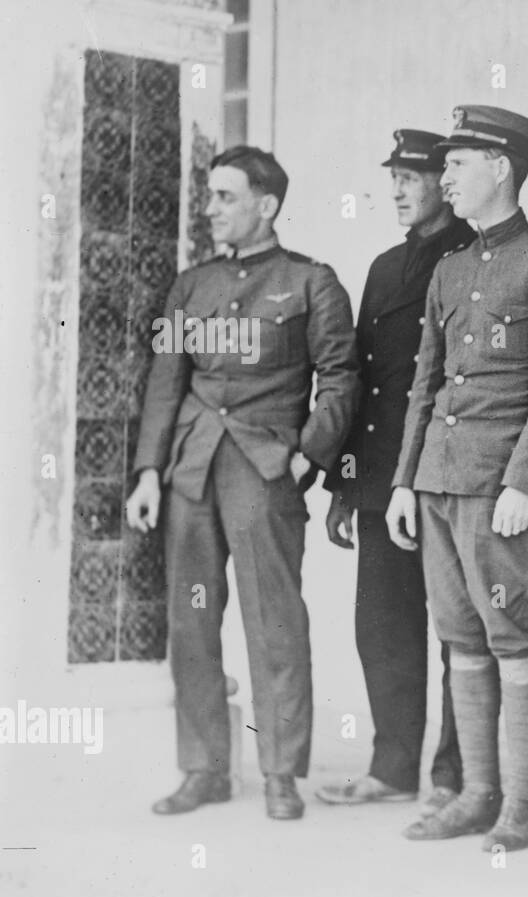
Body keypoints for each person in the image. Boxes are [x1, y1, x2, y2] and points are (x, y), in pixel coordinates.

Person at [126, 146, 359, 820]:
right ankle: (204, 767)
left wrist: (307, 453)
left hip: (263, 469)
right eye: (210, 196)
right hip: (192, 470)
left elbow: (341, 378)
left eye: (226, 197)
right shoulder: (190, 287)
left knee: (274, 620)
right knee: (190, 619)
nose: (212, 209)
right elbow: (167, 381)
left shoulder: (311, 282)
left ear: (268, 205)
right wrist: (148, 471)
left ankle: (282, 771)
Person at [388, 105, 528, 852]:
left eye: (458, 163)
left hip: (500, 486)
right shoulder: (450, 268)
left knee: (511, 636)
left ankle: (521, 805)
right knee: (460, 638)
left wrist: (527, 482)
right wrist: (405, 480)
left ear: (501, 167)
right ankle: (477, 792)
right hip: (441, 481)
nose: (443, 177)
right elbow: (424, 383)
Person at [316, 130, 474, 811]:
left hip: (445, 474)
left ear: (447, 179)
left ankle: (455, 774)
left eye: (414, 176)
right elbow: (365, 379)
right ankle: (393, 766)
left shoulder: (472, 255)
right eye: (395, 178)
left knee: (460, 628)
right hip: (382, 478)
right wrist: (345, 484)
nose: (400, 190)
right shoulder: (384, 267)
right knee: (382, 622)